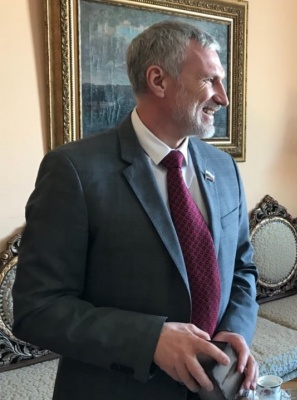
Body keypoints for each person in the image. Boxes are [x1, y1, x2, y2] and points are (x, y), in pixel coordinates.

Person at [12, 20, 259, 400]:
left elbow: (242, 269)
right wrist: (150, 340)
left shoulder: (224, 168)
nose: (223, 98)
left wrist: (236, 330)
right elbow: (37, 308)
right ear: (158, 80)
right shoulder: (74, 171)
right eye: (209, 80)